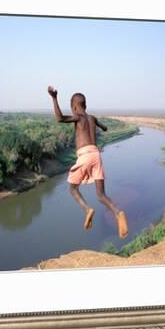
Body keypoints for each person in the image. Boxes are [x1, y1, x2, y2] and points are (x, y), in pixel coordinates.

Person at [47, 85, 128, 238]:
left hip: (84, 155)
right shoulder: (92, 118)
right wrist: (102, 127)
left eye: (72, 108)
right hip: (96, 155)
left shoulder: (78, 117)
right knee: (101, 195)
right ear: (86, 105)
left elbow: (59, 118)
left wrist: (54, 98)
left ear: (75, 107)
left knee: (72, 189)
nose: (72, 110)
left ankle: (87, 209)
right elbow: (104, 128)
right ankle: (118, 213)